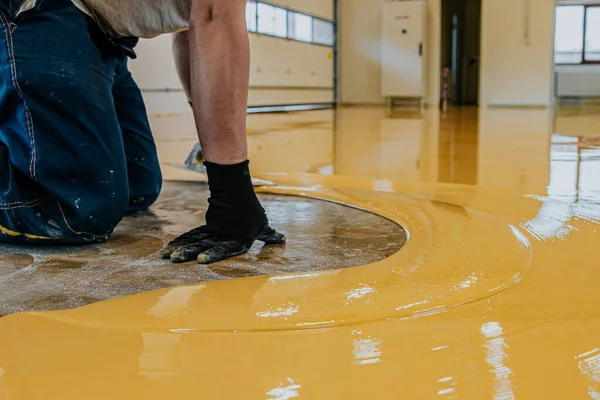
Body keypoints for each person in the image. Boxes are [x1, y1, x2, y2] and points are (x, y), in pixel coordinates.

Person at [0, 0, 285, 264]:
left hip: (102, 34)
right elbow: (213, 16)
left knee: (140, 187)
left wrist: (210, 139)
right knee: (73, 213)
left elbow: (191, 28)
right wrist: (232, 192)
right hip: (34, 12)